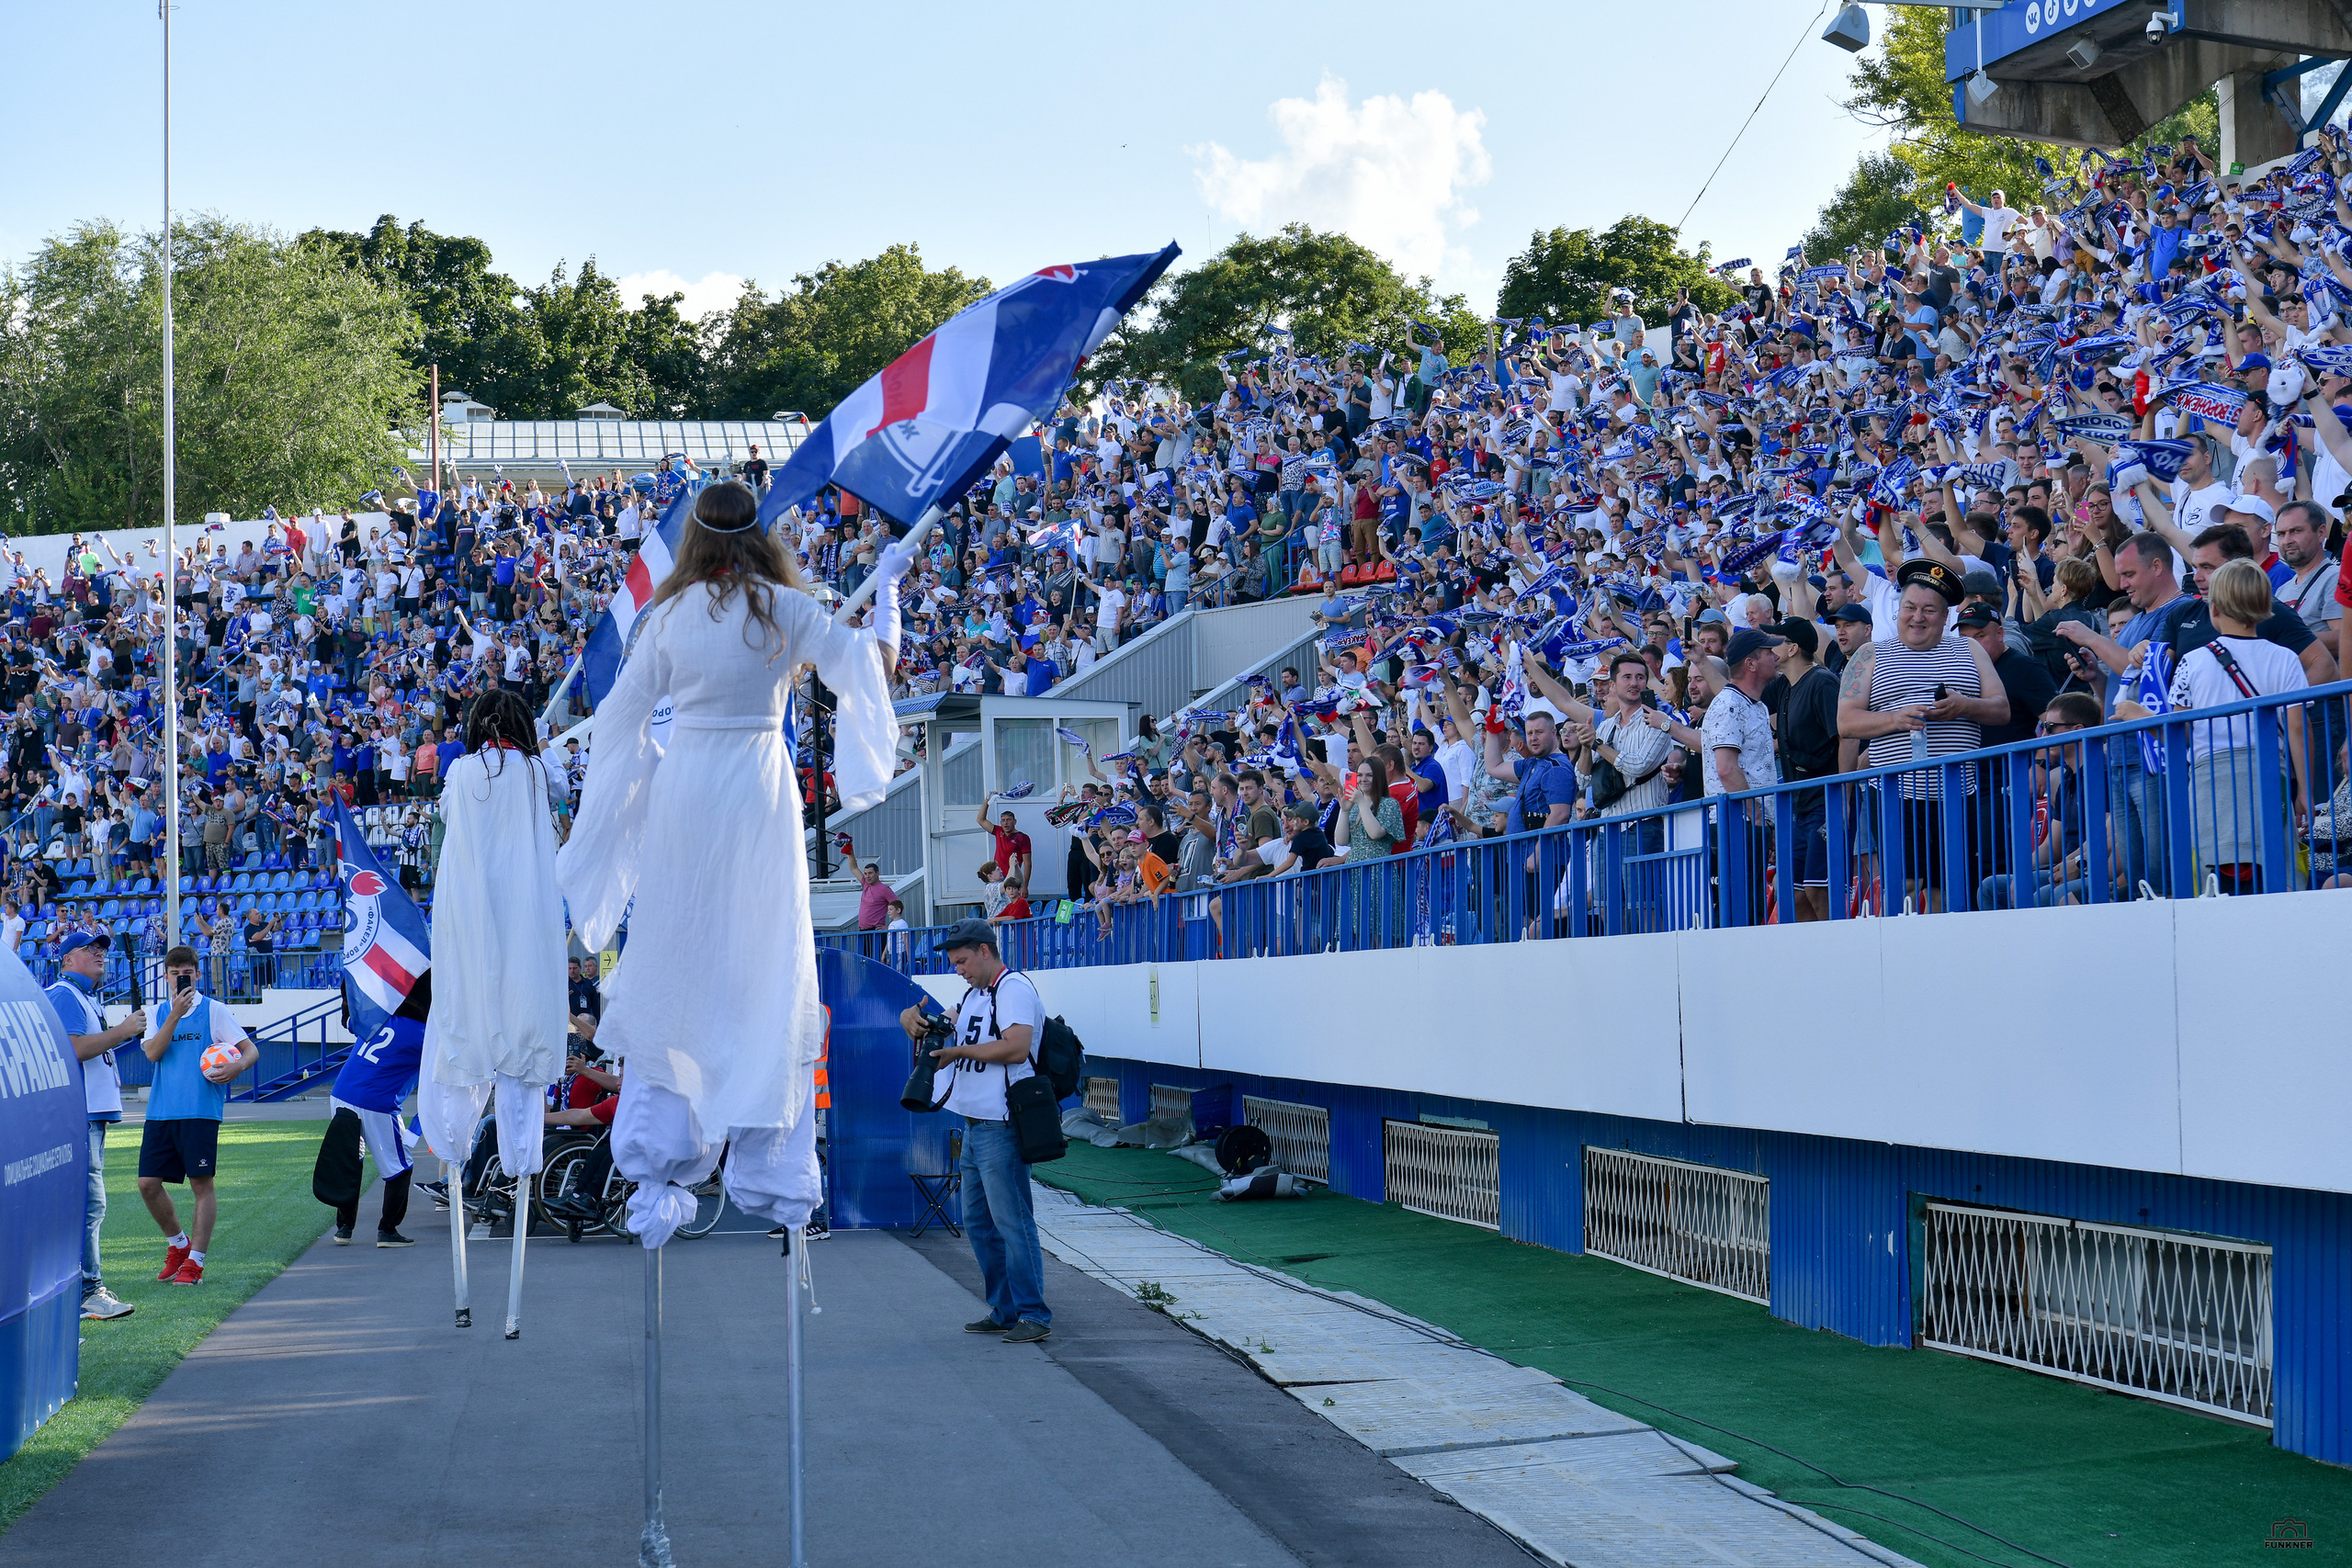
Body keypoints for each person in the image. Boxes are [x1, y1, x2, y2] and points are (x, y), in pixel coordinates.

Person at [559, 480, 903, 1247]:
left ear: (694, 538)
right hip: (755, 786)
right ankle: (771, 1162)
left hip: (688, 786)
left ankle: (658, 1148)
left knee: (677, 945)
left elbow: (618, 717)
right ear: (760, 534)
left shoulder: (670, 616)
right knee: (764, 949)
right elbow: (871, 668)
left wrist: (634, 782)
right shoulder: (786, 609)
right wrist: (892, 592)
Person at [415, 689, 569, 1203]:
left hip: (473, 913)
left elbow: (446, 813)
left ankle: (456, 1146)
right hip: (524, 910)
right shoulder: (535, 770)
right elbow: (562, 786)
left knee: (467, 1012)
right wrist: (540, 748)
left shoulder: (462, 773)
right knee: (525, 1019)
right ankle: (520, 1159)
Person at [898, 918, 1051, 1343]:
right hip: (974, 1127)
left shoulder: (1014, 988)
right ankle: (1005, 1310)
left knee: (1012, 1222)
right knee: (981, 1226)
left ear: (985, 950)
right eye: (954, 963)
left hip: (1002, 1126)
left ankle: (1034, 1314)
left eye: (962, 961)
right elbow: (935, 1022)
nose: (958, 969)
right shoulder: (972, 995)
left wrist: (957, 1051)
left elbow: (1018, 1046)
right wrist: (910, 1018)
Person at [136, 944, 260, 1287]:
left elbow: (250, 1049)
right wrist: (174, 1014)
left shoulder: (215, 1011)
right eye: (174, 973)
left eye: (186, 972)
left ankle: (196, 1263)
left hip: (200, 1112)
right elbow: (154, 1055)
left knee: (201, 1185)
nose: (180, 978)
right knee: (147, 1184)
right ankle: (178, 1246)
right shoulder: (157, 1011)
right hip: (161, 1112)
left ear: (197, 973)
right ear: (165, 976)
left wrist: (237, 1066)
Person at [53, 931, 147, 1319]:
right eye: (90, 949)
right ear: (68, 958)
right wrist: (123, 1031)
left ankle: (80, 1289)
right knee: (90, 1206)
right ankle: (88, 1292)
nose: (100, 954)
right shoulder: (65, 994)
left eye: (103, 949)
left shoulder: (84, 997)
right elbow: (74, 1049)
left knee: (88, 1206)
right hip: (80, 1115)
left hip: (91, 1114)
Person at [322, 974, 430, 1247]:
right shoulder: (425, 1036)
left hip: (342, 1093)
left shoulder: (381, 1017)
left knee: (351, 1161)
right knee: (400, 1166)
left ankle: (344, 1229)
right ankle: (388, 1230)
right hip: (376, 1102)